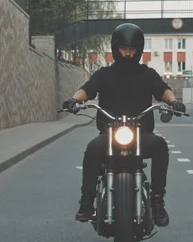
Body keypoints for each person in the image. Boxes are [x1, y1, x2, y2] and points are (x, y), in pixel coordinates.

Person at [62, 23, 186, 227]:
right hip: (110, 134)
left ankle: (157, 201)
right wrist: (74, 100)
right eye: (124, 49)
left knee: (160, 146)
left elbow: (162, 89)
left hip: (141, 134)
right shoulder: (104, 74)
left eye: (132, 49)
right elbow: (88, 89)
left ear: (138, 50)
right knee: (93, 149)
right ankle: (86, 202)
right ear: (115, 48)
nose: (128, 54)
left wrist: (173, 102)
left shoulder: (147, 73)